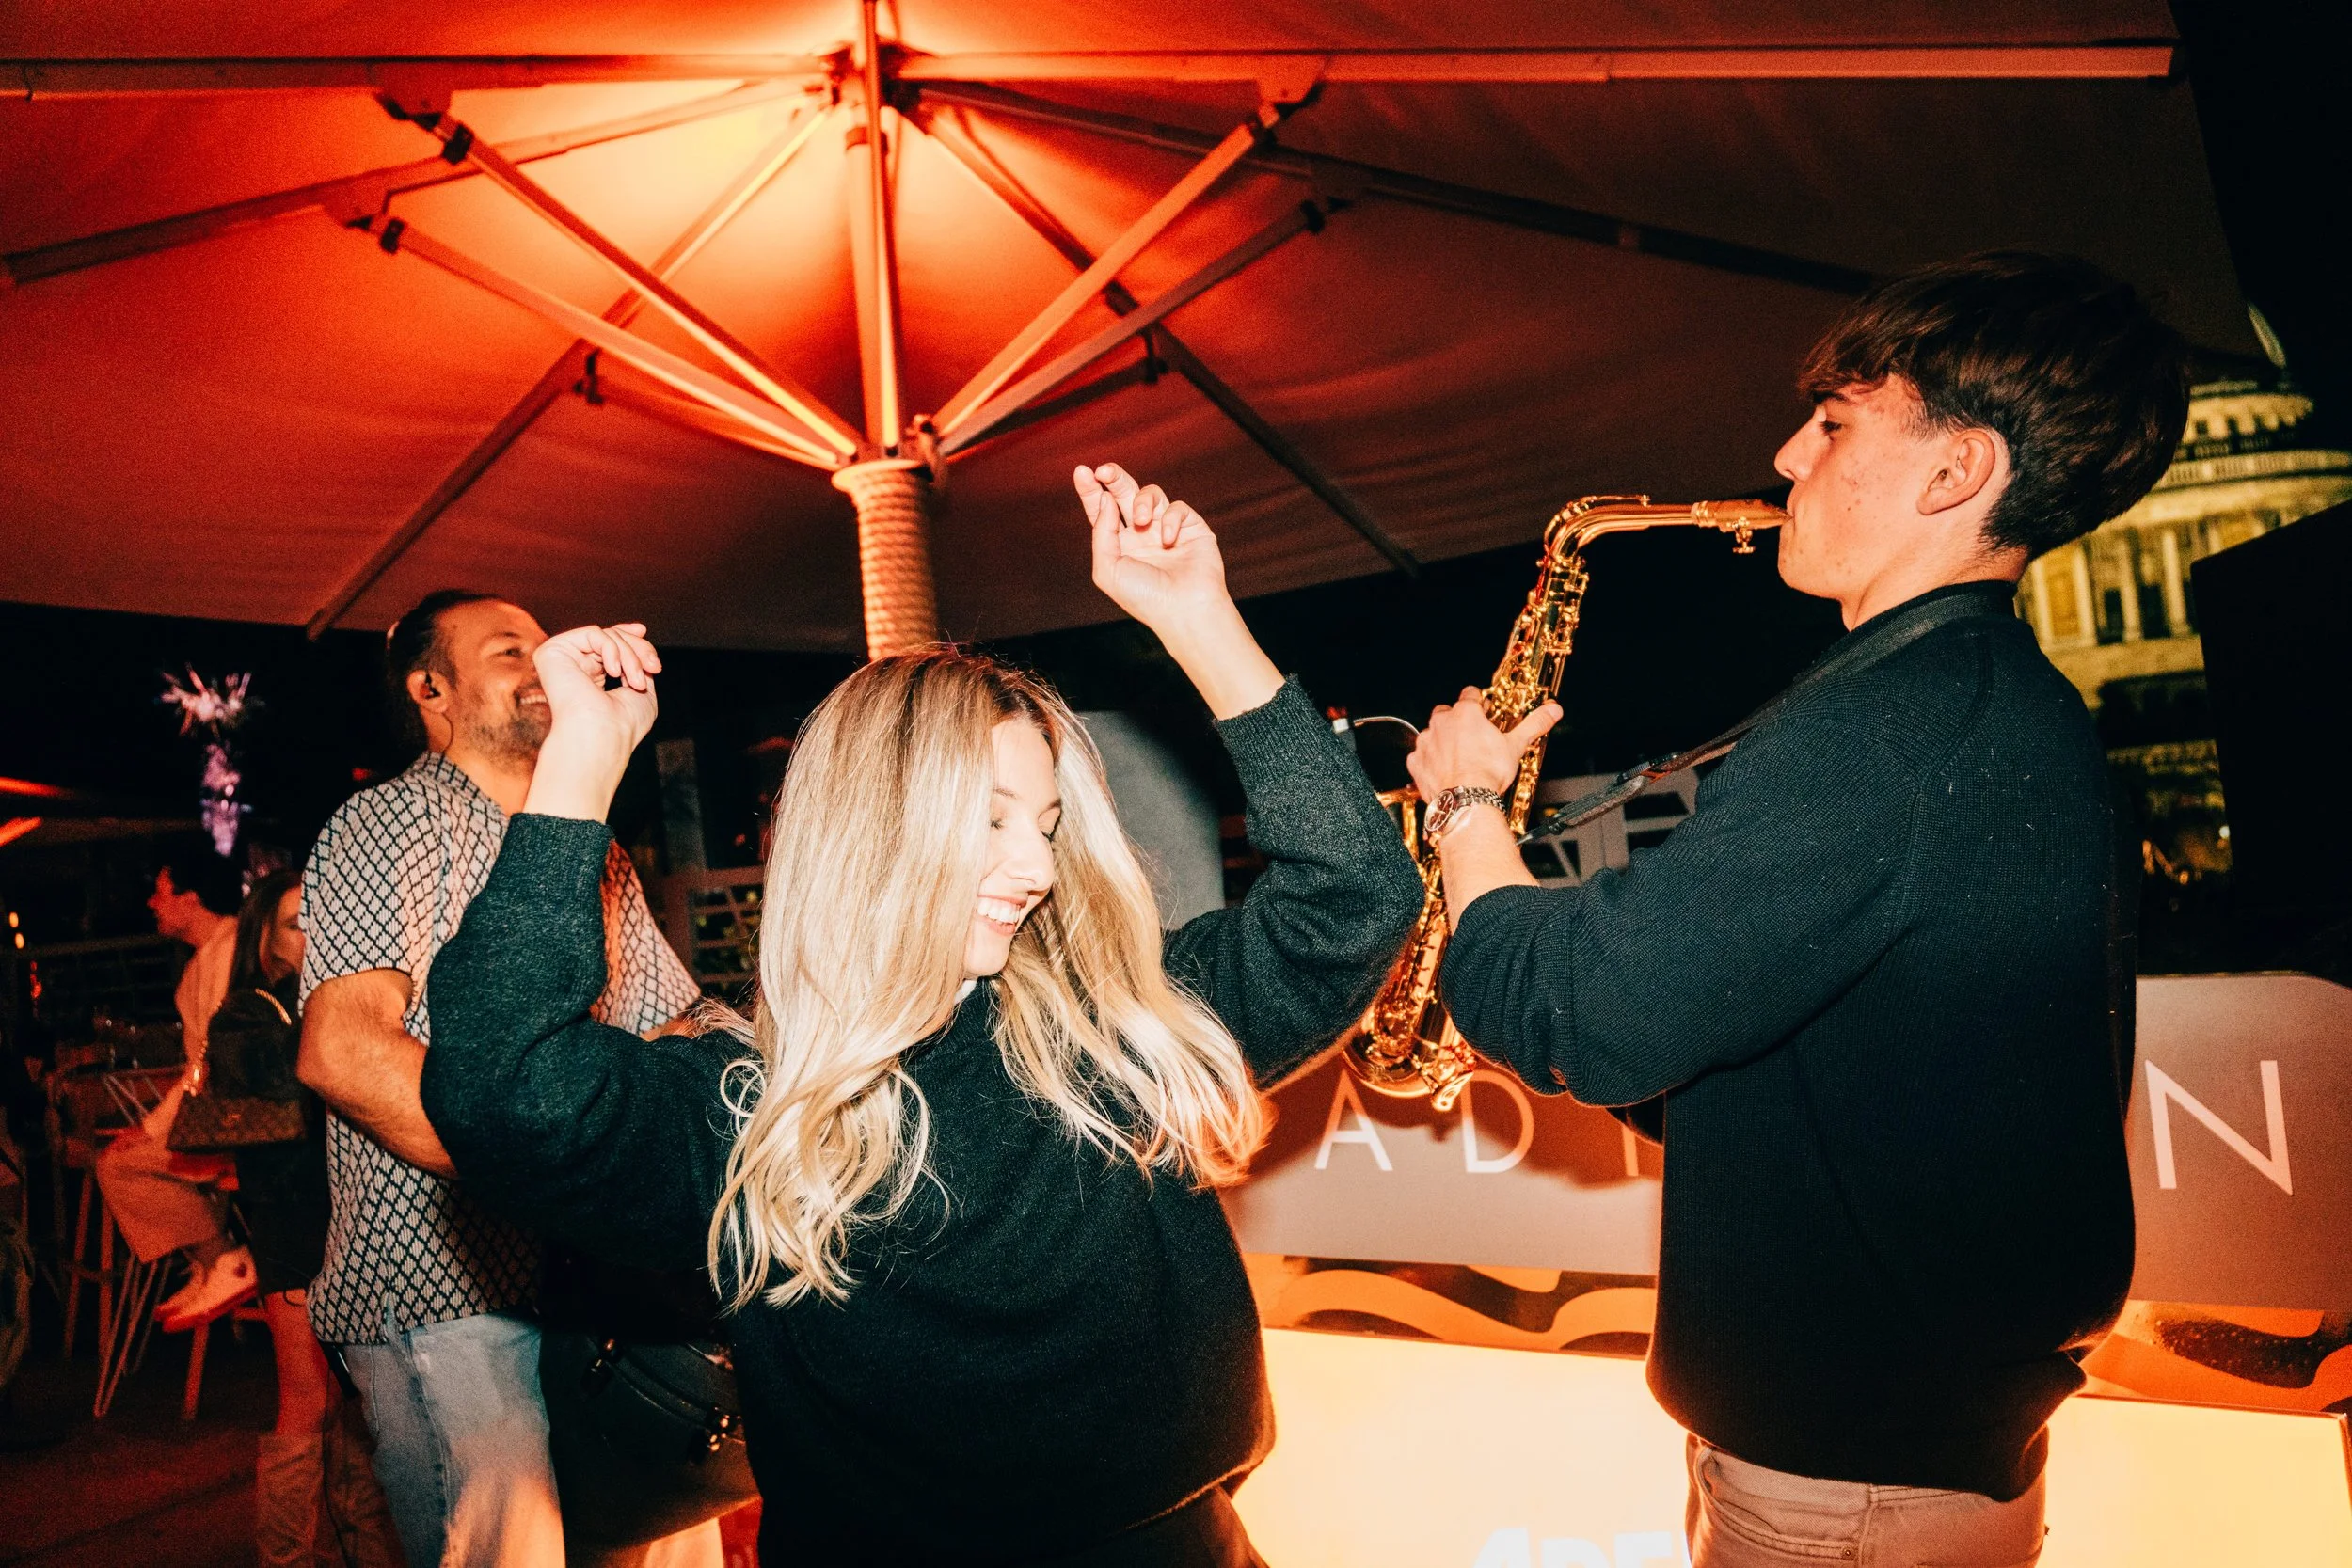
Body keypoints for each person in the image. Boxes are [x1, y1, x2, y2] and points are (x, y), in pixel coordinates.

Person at [414, 466, 1423, 1566]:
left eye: (1044, 822)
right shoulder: (751, 1115)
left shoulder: (1118, 1028)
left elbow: (1354, 897)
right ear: (873, 827)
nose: (1036, 864)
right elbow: (496, 1087)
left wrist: (1200, 621)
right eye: (989, 818)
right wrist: (578, 765)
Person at [1416, 252, 2189, 1567]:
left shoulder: (1893, 726)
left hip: (1847, 1495)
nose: (1785, 455)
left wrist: (1467, 809)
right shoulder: (1991, 703)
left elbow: (1580, 1014)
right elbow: (1840, 1076)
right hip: (1892, 1466)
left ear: (1956, 472)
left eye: (1833, 423)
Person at [296, 589, 704, 1568]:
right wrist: (551, 1166)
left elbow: (675, 1019)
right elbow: (342, 1050)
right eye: (507, 649)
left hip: (592, 1284)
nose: (541, 662)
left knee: (669, 1530)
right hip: (445, 1289)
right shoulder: (387, 820)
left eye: (542, 644)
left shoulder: (586, 841)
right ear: (431, 689)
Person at [206, 871, 404, 1568]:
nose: (315, 934)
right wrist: (323, 997)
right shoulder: (245, 1016)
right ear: (263, 939)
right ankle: (285, 1557)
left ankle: (368, 1551)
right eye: (296, 923)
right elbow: (292, 1077)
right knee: (306, 1399)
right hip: (292, 1230)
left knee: (357, 1401)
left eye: (322, 918)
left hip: (351, 1222)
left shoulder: (328, 1003)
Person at [93, 838, 256, 1328]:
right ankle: (210, 1264)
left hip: (241, 1123)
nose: (151, 902)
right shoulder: (207, 959)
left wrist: (151, 1128)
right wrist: (154, 1126)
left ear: (192, 898)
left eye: (161, 892)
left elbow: (208, 1063)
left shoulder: (228, 953)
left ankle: (223, 1259)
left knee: (120, 1165)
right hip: (225, 1114)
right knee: (126, 1158)